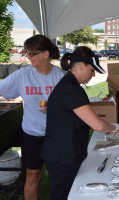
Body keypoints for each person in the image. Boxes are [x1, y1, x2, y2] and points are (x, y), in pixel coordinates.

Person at [40, 46, 119, 200]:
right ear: (80, 66)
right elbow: (97, 125)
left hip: (64, 152)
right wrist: (115, 127)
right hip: (62, 155)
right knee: (62, 195)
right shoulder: (70, 89)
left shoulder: (70, 85)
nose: (93, 75)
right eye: (92, 70)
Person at [0, 35, 65, 200]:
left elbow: (73, 107)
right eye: (26, 53)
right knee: (33, 175)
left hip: (56, 134)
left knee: (59, 176)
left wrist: (53, 108)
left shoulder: (61, 77)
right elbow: (2, 89)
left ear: (45, 54)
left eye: (32, 54)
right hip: (32, 133)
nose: (28, 57)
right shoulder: (23, 75)